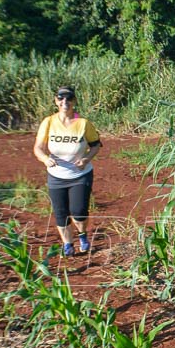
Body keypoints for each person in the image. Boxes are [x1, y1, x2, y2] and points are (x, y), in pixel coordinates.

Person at [33, 86, 102, 256]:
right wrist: (44, 159)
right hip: (56, 176)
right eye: (61, 98)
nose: (65, 102)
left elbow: (96, 145)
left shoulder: (83, 123)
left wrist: (86, 159)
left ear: (74, 101)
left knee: (79, 211)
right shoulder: (48, 122)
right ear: (56, 101)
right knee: (61, 213)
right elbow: (38, 148)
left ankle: (83, 235)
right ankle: (68, 244)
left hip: (80, 175)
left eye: (69, 98)